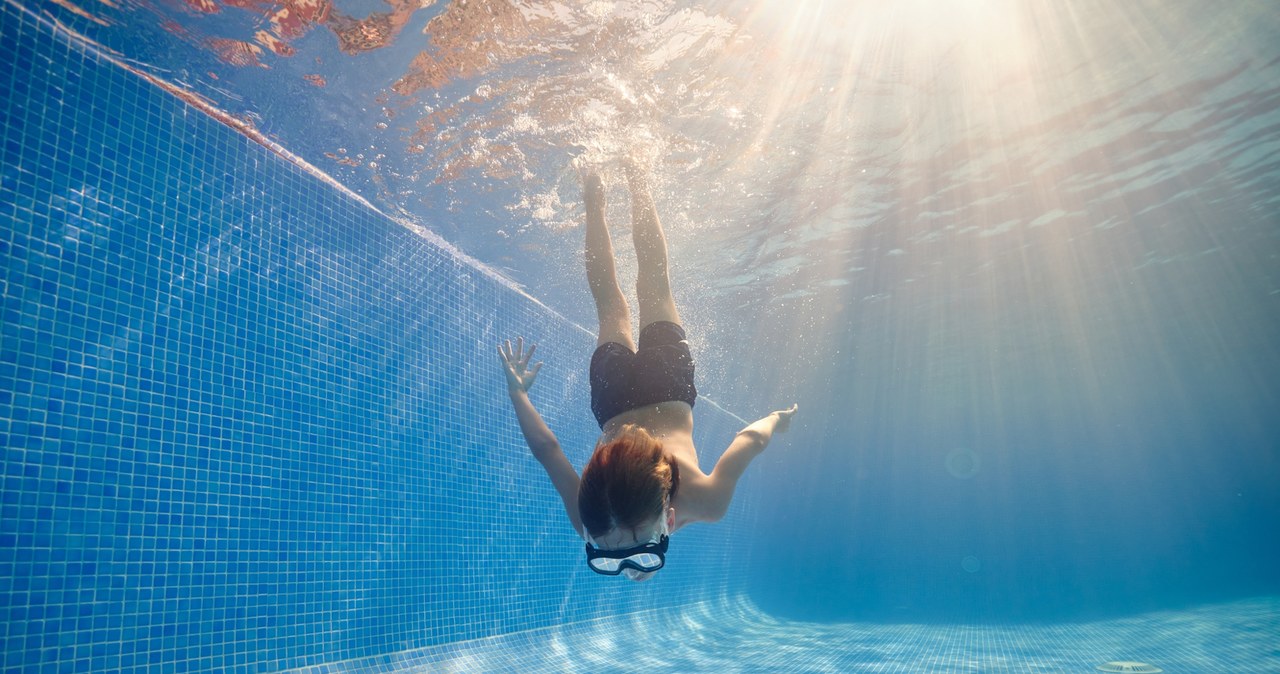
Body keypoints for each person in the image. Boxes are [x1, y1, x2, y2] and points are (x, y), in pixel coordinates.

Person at [499, 162, 797, 581]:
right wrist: (518, 394)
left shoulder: (706, 503)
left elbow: (749, 439)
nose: (628, 567)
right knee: (611, 303)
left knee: (654, 287)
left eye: (611, 558)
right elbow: (547, 451)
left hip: (668, 385)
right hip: (613, 399)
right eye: (640, 558)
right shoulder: (587, 515)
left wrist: (776, 420)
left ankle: (637, 180)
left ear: (670, 520)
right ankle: (594, 196)